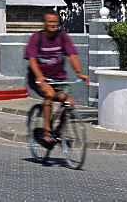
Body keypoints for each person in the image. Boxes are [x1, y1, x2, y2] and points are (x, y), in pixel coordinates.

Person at [24, 11, 89, 148]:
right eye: (50, 22)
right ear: (44, 23)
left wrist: (79, 73)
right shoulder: (37, 37)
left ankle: (58, 131)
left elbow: (72, 55)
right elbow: (32, 60)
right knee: (49, 94)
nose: (53, 25)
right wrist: (40, 77)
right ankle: (47, 132)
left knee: (69, 102)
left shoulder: (62, 36)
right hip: (38, 78)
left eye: (55, 22)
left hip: (59, 79)